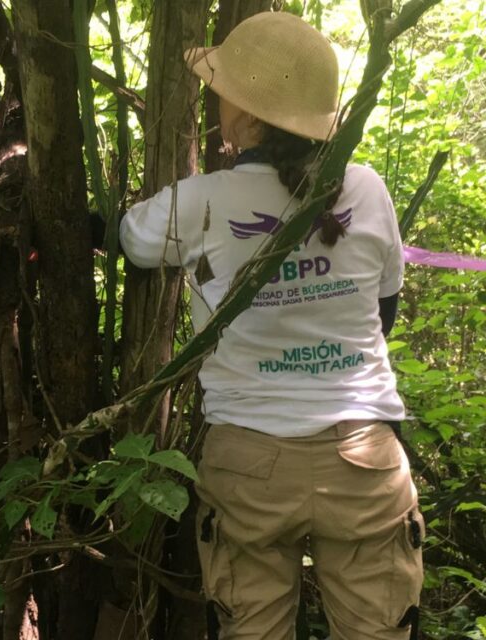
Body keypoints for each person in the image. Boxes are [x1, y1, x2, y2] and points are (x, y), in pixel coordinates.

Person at [119, 12, 422, 640]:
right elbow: (382, 310)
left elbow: (132, 239)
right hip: (361, 461)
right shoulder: (366, 189)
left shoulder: (200, 200)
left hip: (248, 462)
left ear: (248, 117)